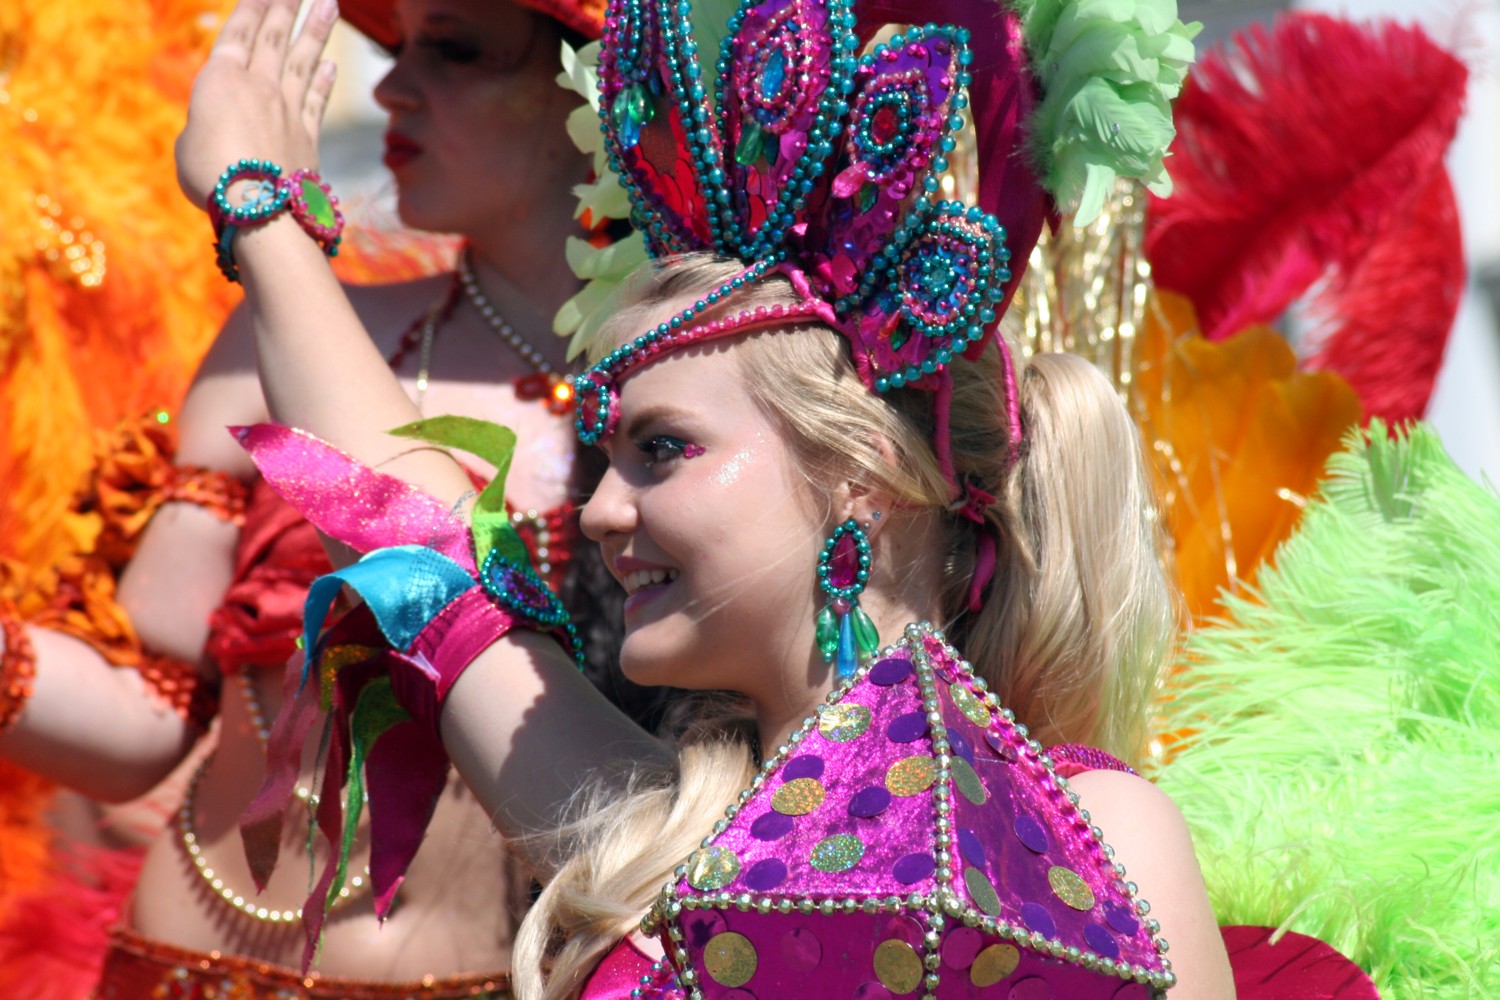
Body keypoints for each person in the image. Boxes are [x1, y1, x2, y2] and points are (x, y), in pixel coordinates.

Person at [170, 0, 1237, 997]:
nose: (598, 513)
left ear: (860, 468)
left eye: (663, 449)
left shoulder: (1101, 830)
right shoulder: (651, 833)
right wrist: (258, 208)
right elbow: (419, 537)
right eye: (611, 453)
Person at [0, 0, 639, 994]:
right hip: (188, 970)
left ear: (597, 93)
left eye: (457, 48)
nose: (388, 85)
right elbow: (147, 714)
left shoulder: (689, 397)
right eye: (394, 48)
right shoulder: (275, 342)